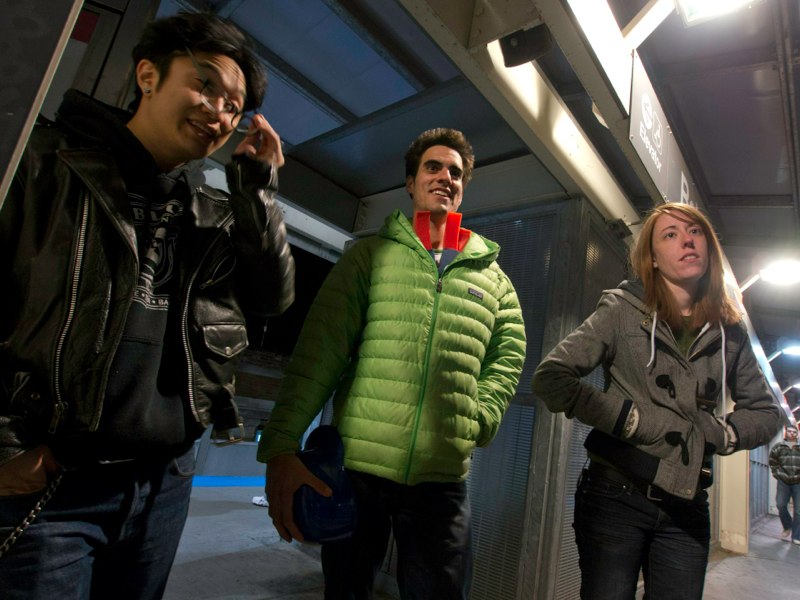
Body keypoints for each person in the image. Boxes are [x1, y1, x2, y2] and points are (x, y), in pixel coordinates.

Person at [0, 12, 294, 600]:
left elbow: (271, 297)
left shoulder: (212, 214)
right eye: (205, 85)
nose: (219, 113)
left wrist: (256, 190)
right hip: (52, 484)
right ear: (148, 75)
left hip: (165, 482)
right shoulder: (46, 165)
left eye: (234, 107)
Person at [258, 128, 526, 599]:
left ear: (463, 187)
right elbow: (320, 350)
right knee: (346, 592)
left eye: (455, 172)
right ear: (410, 182)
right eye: (432, 167)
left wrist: (481, 416)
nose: (445, 177)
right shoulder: (370, 257)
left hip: (442, 479)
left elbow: (509, 354)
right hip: (357, 472)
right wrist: (281, 443)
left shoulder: (492, 278)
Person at [532, 202, 780, 599]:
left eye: (695, 232)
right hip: (615, 495)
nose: (687, 240)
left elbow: (767, 414)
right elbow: (552, 378)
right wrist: (630, 420)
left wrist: (720, 434)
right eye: (671, 234)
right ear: (652, 257)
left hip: (688, 504)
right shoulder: (622, 309)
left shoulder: (729, 329)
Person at [769, 425, 800, 544]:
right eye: (790, 431)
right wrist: (777, 474)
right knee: (780, 504)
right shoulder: (778, 447)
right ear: (786, 433)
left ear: (797, 434)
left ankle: (796, 536)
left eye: (794, 432)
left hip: (798, 482)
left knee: (798, 510)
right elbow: (773, 461)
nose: (792, 433)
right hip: (783, 481)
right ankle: (787, 526)